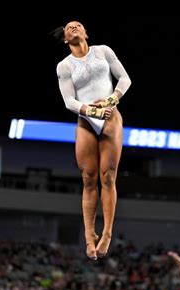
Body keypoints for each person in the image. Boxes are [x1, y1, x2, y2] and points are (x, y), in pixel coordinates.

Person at [52, 21, 131, 260]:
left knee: (107, 176)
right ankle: (89, 235)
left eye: (78, 25)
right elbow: (68, 100)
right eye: (68, 28)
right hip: (86, 120)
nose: (73, 27)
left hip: (110, 117)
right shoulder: (64, 66)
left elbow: (125, 80)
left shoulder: (103, 51)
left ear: (86, 32)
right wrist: (90, 111)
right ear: (66, 39)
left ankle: (106, 233)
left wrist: (109, 101)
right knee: (88, 178)